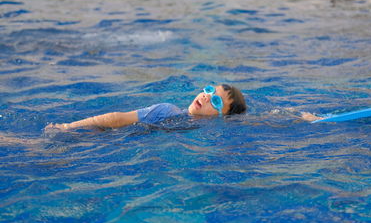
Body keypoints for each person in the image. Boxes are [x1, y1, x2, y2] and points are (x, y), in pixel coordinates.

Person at [45, 84, 247, 131]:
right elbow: (118, 118)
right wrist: (67, 127)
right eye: (209, 90)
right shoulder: (167, 111)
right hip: (101, 135)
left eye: (216, 101)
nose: (206, 96)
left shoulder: (207, 132)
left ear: (223, 117)